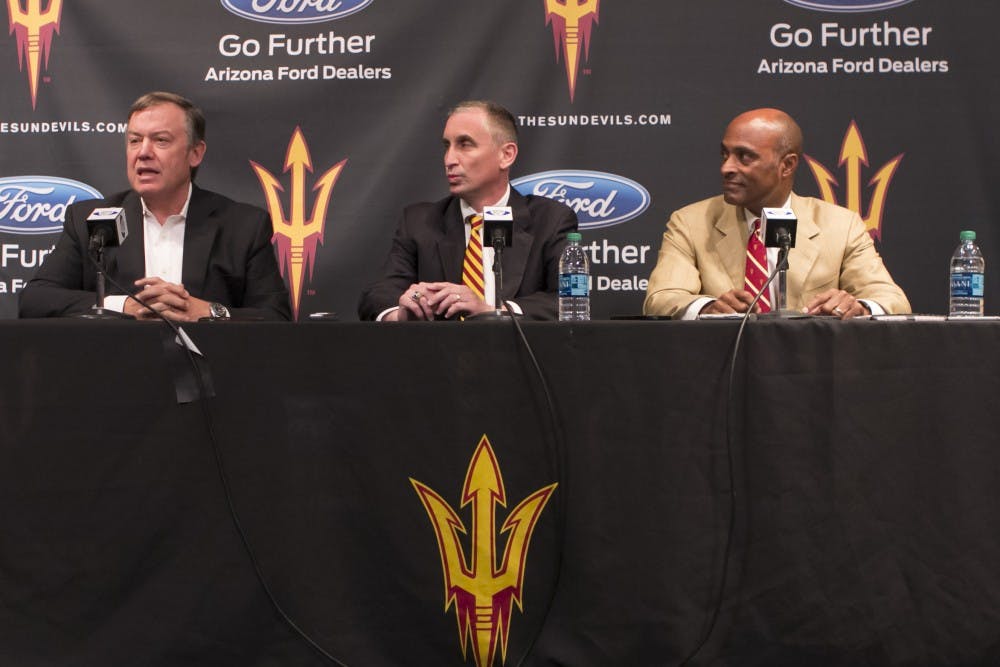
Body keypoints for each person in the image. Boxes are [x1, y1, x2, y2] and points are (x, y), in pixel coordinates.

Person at [19, 91, 291, 321]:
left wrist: (207, 311)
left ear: (195, 153)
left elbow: (276, 317)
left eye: (160, 140)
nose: (143, 152)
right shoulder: (87, 220)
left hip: (211, 377)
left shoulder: (242, 226)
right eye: (135, 140)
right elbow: (36, 300)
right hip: (116, 375)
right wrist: (123, 306)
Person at [643, 108, 910, 319]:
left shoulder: (840, 225)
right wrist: (708, 307)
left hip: (811, 371)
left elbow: (892, 299)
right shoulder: (690, 223)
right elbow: (661, 299)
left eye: (744, 157)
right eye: (725, 155)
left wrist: (859, 307)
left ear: (787, 165)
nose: (727, 168)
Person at [358, 100, 577, 321]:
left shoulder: (551, 220)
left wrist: (493, 311)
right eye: (447, 146)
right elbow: (377, 296)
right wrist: (404, 310)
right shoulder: (420, 222)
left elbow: (571, 301)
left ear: (506, 155)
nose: (449, 159)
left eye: (465, 144)